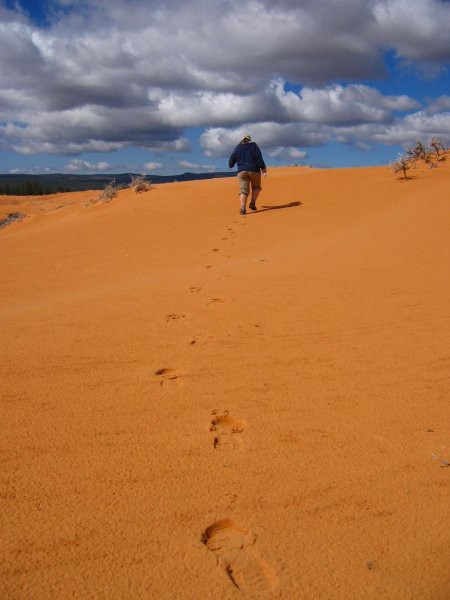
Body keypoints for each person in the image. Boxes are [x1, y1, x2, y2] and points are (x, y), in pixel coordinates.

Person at [228, 134, 267, 215]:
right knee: (256, 187)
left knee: (243, 191)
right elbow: (259, 157)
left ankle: (243, 208)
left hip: (242, 172)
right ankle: (252, 202)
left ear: (242, 140)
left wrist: (231, 165)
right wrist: (263, 169)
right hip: (254, 170)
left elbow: (232, 157)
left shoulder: (238, 147)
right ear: (249, 140)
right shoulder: (254, 146)